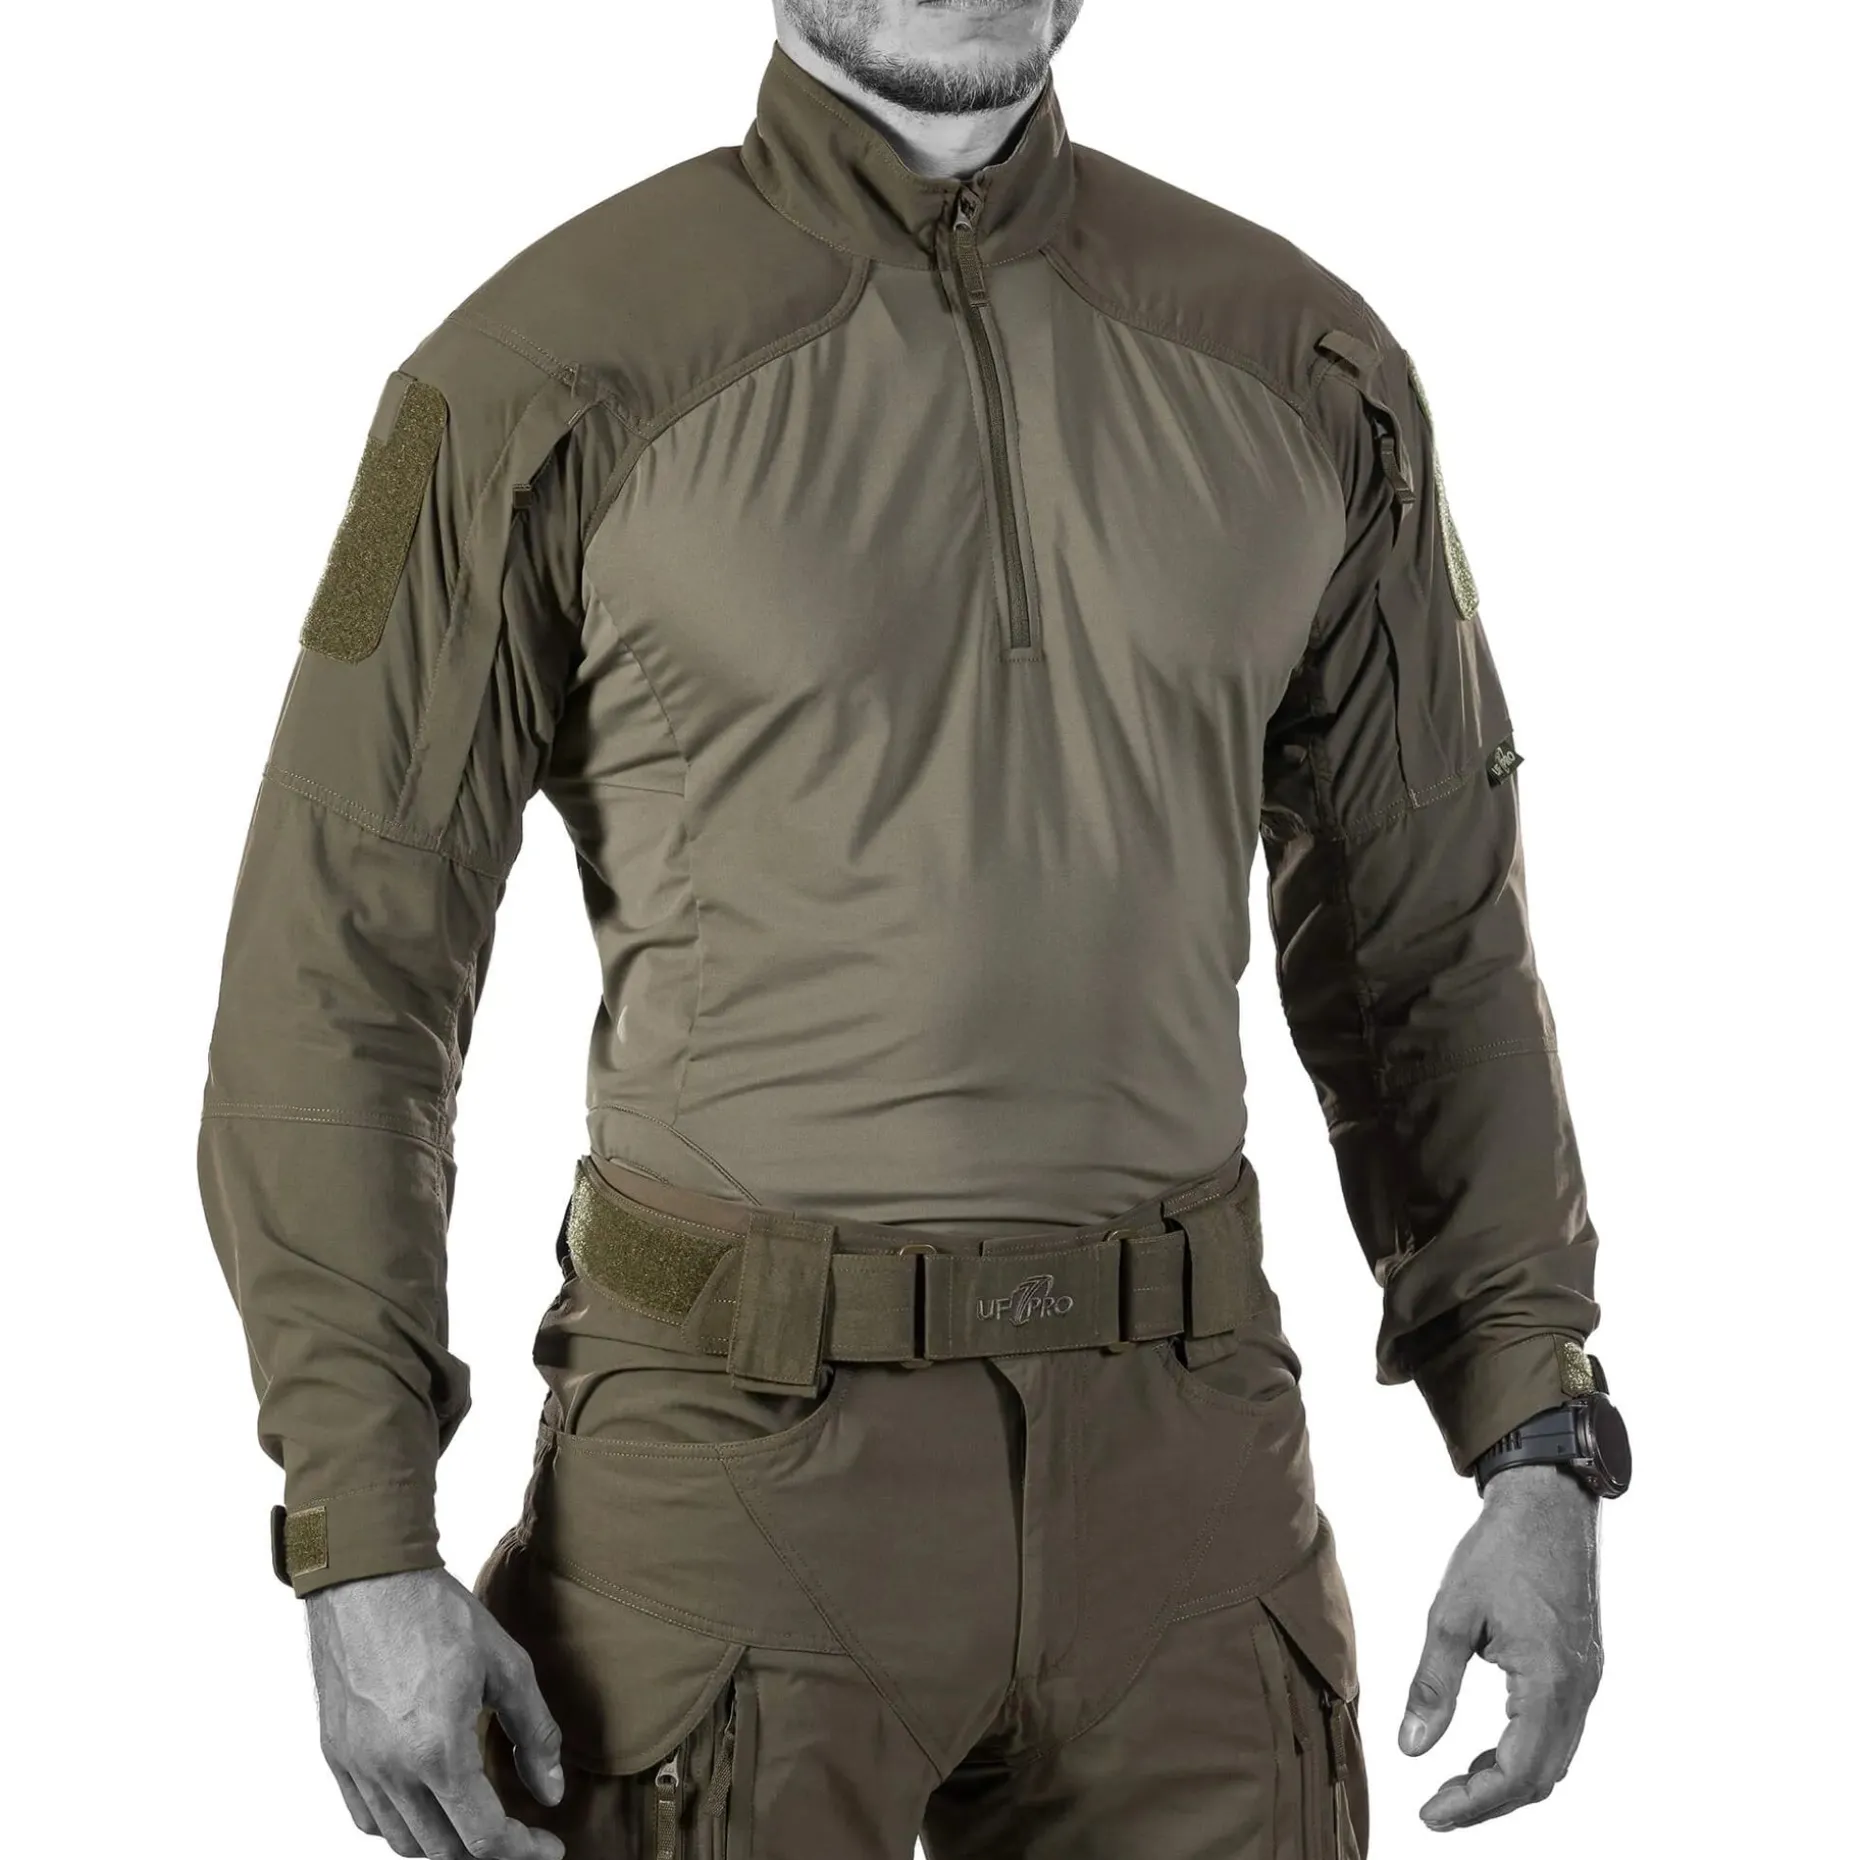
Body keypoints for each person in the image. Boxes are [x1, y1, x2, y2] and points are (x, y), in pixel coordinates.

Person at [198, 3, 1630, 1855]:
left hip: (1191, 1500)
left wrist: (1535, 1434)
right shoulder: (515, 381)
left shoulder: (1309, 362)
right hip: (726, 1503)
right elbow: (341, 970)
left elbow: (1428, 940)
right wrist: (358, 1534)